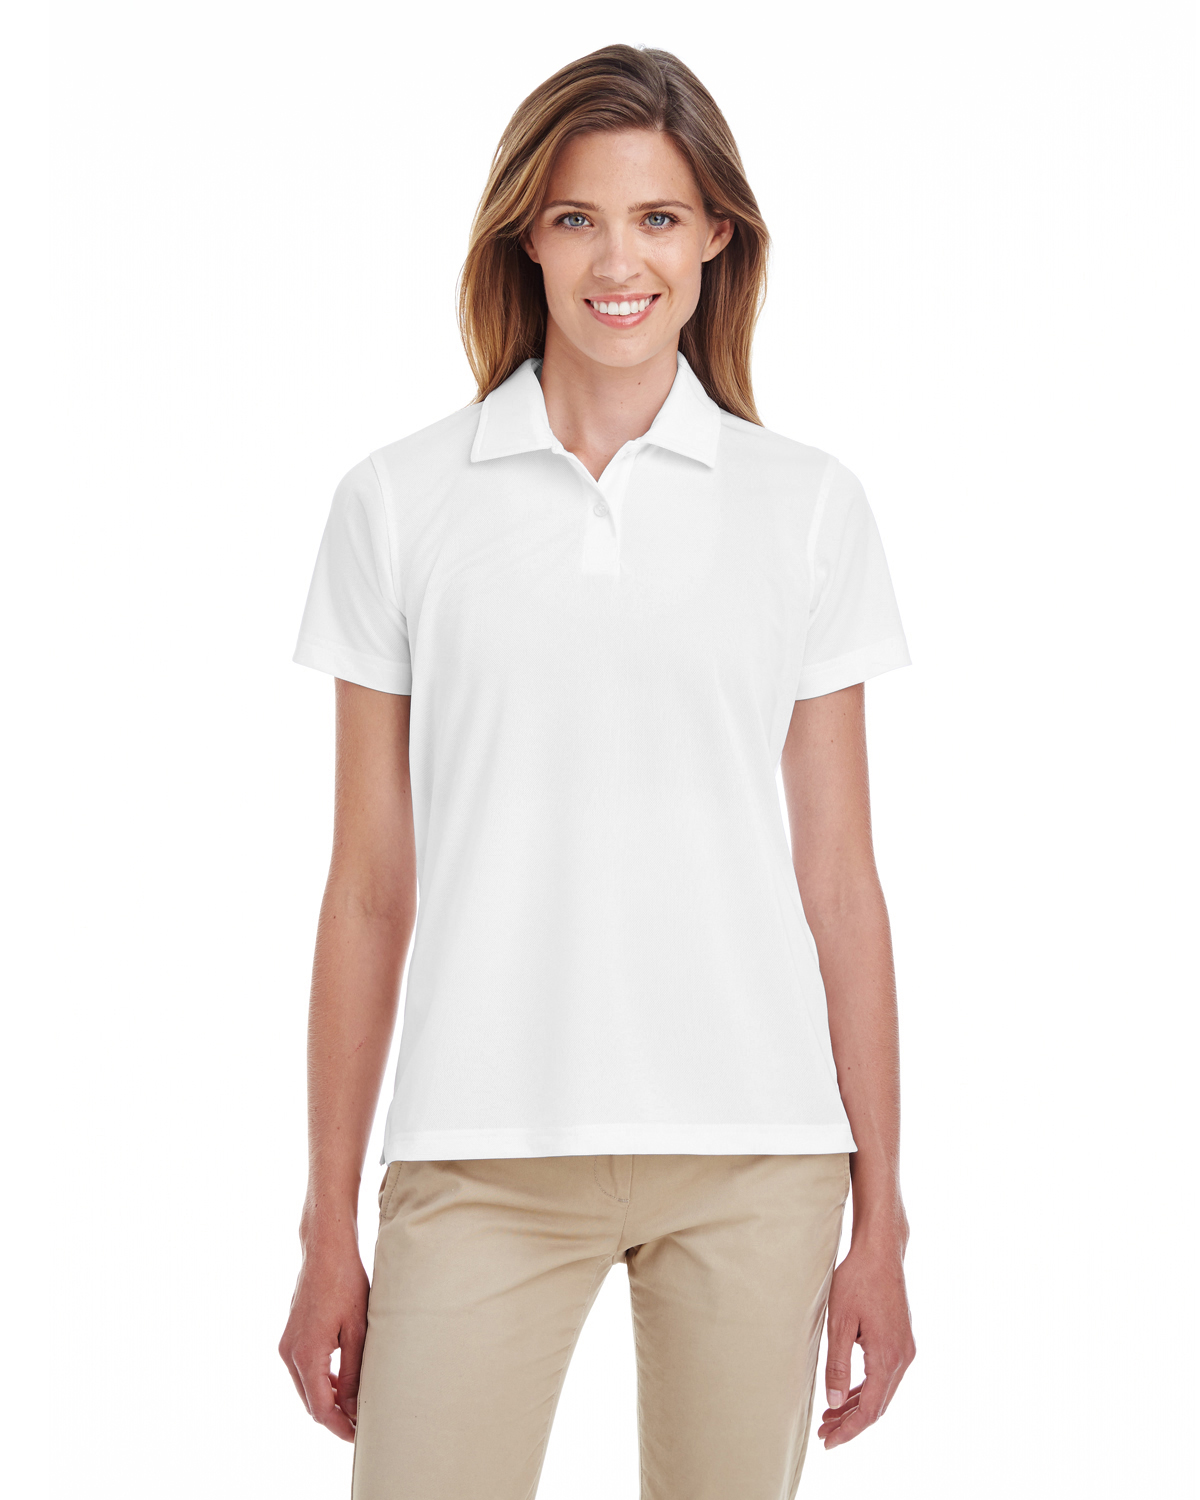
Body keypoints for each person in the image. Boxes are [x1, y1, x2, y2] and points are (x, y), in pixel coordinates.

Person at [278, 42, 916, 1500]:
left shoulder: (807, 507)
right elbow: (369, 888)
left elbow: (841, 882)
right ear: (525, 236)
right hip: (479, 1150)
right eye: (576, 218)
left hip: (758, 1157)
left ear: (716, 238)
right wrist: (326, 1228)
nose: (618, 262)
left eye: (657, 218)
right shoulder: (398, 502)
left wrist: (883, 1217)